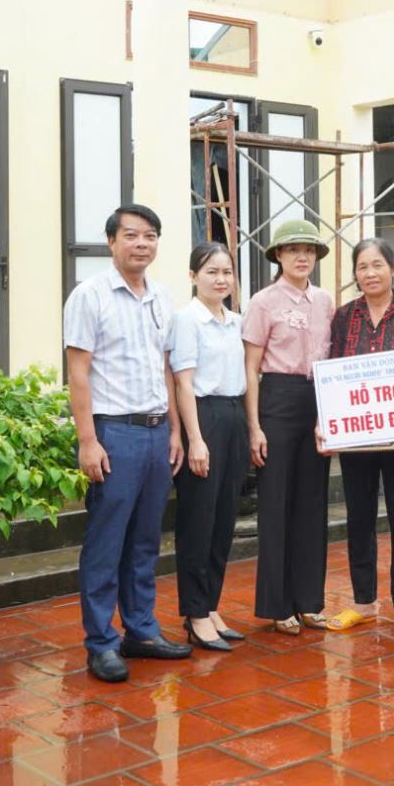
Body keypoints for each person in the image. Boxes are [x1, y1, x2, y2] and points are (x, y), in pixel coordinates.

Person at [63, 204, 192, 683]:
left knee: (144, 541)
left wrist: (175, 430)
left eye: (150, 236)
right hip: (113, 432)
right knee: (105, 541)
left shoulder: (161, 296)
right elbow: (77, 373)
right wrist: (88, 441)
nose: (142, 244)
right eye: (132, 235)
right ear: (112, 242)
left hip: (157, 432)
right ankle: (101, 642)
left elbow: (164, 368)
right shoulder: (89, 296)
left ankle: (140, 630)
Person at [322, 238, 394, 639]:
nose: (370, 273)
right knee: (359, 519)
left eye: (377, 265)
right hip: (357, 440)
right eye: (362, 266)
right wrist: (330, 422)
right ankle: (363, 602)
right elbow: (334, 373)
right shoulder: (343, 317)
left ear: (393, 268)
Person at [242, 218, 335, 635]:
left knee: (313, 503)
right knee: (276, 503)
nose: (303, 257)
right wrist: (254, 427)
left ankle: (309, 600)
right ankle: (278, 604)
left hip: (317, 397)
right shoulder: (262, 302)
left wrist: (329, 414)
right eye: (294, 249)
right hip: (276, 400)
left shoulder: (326, 301)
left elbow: (331, 361)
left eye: (310, 250)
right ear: (278, 255)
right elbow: (250, 368)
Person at [169, 242, 250, 653]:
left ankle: (211, 604)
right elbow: (183, 382)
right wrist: (195, 438)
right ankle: (195, 612)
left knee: (223, 519)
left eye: (226, 272)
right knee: (198, 520)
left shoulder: (236, 320)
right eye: (211, 272)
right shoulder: (187, 320)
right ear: (193, 276)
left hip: (234, 415)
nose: (221, 280)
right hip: (203, 418)